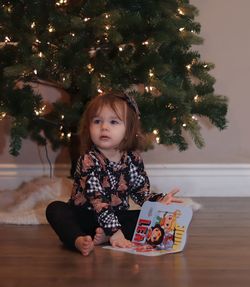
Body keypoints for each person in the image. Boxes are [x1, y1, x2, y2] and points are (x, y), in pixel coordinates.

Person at [46, 91, 182, 256]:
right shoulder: (88, 160)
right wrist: (115, 231)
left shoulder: (133, 160)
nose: (104, 127)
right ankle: (78, 240)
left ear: (128, 130)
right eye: (97, 121)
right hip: (85, 217)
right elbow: (97, 200)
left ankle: (104, 236)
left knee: (143, 218)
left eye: (113, 122)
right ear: (89, 128)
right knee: (55, 209)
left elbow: (141, 193)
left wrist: (159, 201)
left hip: (117, 216)